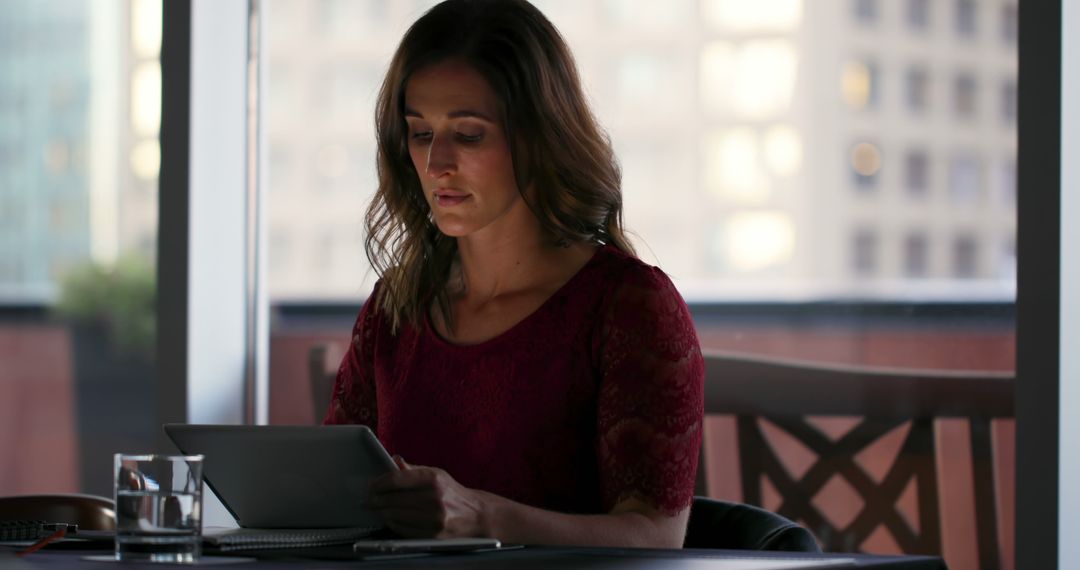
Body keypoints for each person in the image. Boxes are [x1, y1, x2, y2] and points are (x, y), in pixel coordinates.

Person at [323, 0, 704, 549]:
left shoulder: (629, 306)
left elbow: (656, 535)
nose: (436, 167)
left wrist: (483, 518)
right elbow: (335, 498)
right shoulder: (395, 307)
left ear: (540, 136)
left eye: (469, 135)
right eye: (421, 134)